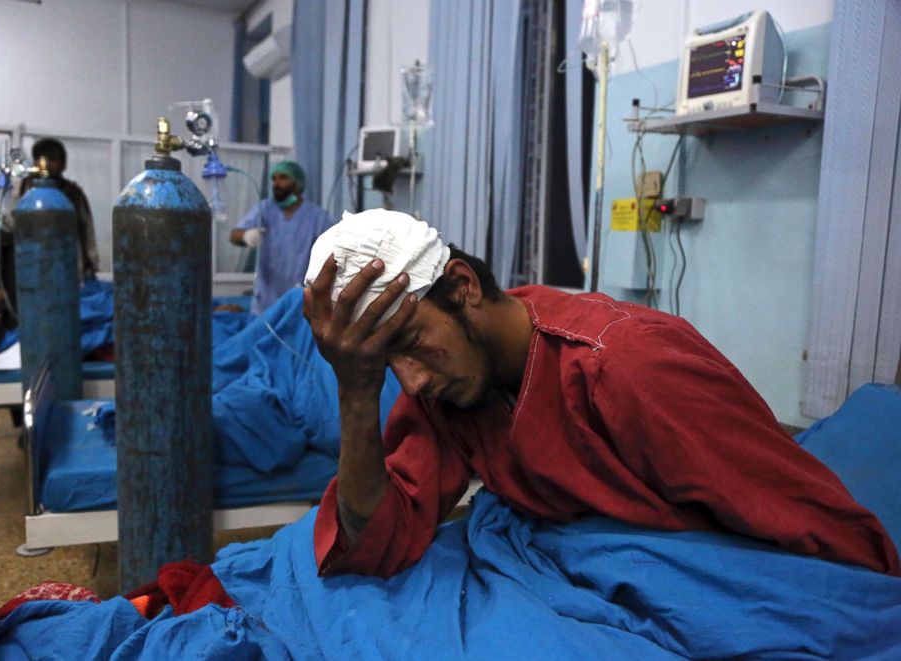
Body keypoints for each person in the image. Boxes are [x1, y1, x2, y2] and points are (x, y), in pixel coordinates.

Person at [302, 209, 901, 579]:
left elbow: (799, 513)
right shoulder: (449, 380)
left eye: (410, 342)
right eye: (386, 366)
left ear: (462, 286)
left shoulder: (629, 367)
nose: (413, 382)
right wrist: (356, 392)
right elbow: (379, 536)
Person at [0, 137, 99, 326]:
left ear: (63, 164)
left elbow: (87, 234)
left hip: (64, 273)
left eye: (55, 159)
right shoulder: (20, 189)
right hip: (25, 272)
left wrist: (91, 268)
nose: (49, 164)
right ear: (36, 161)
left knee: (60, 324)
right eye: (43, 158)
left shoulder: (73, 194)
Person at [230, 161, 331, 314]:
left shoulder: (317, 216)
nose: (276, 183)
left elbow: (333, 250)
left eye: (283, 178)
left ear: (298, 183)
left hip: (300, 297)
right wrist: (245, 236)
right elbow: (234, 235)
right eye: (274, 178)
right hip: (265, 299)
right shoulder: (265, 209)